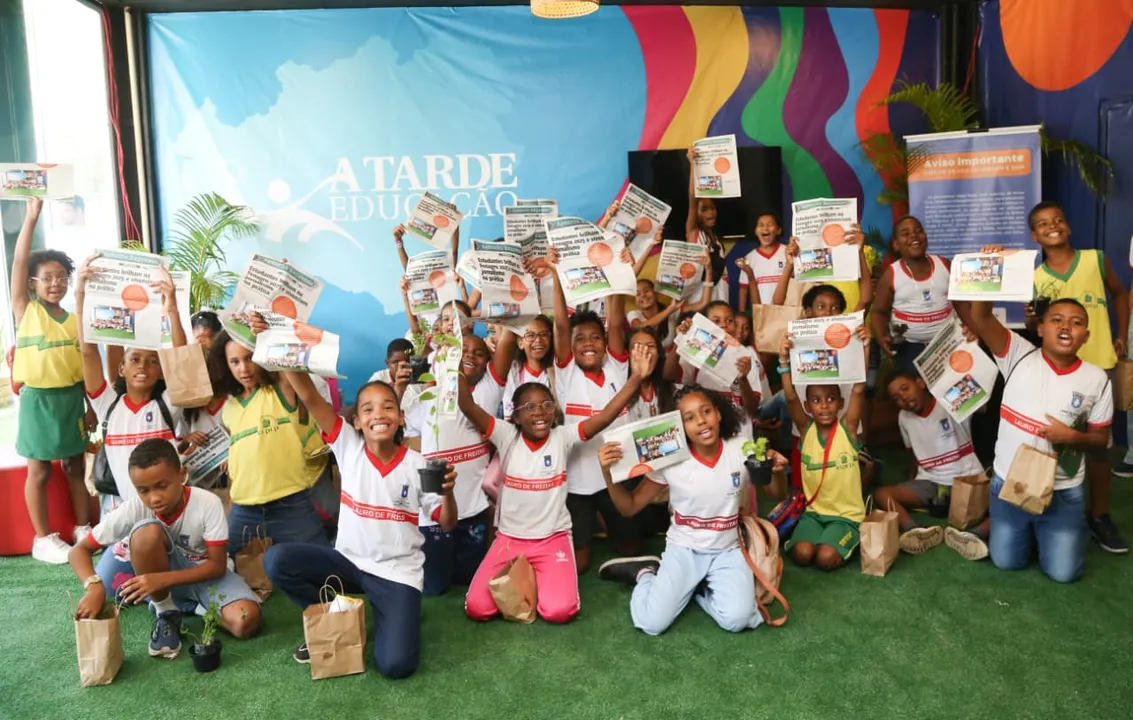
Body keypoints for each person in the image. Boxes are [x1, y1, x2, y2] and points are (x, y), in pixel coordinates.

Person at [263, 373, 457, 677]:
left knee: (396, 665)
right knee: (277, 560)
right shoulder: (348, 448)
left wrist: (447, 493)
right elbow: (310, 396)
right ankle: (333, 614)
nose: (378, 415)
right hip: (348, 563)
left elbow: (447, 522)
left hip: (397, 573)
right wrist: (282, 349)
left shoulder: (419, 464)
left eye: (388, 407)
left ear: (401, 417)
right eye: (368, 409)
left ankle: (400, 610)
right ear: (355, 421)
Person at [459, 344, 654, 623]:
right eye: (529, 407)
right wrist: (452, 364)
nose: (539, 412)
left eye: (546, 405)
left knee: (560, 612)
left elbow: (605, 416)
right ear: (515, 415)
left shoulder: (562, 436)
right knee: (478, 609)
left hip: (553, 540)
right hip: (509, 539)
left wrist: (635, 377)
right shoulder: (505, 435)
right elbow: (467, 404)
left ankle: (539, 576)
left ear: (554, 411)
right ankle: (530, 575)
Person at [596, 385, 788, 635]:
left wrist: (778, 471)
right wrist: (607, 474)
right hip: (684, 549)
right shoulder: (671, 460)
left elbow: (777, 493)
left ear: (718, 414)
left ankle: (698, 588)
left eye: (706, 411)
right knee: (651, 624)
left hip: (727, 550)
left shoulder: (741, 447)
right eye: (689, 417)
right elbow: (629, 507)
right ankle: (645, 574)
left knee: (737, 619)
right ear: (680, 426)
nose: (701, 421)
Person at [956, 290, 1112, 583]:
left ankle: (1055, 530)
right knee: (1006, 563)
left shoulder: (1097, 379)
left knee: (1064, 573)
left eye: (1076, 323)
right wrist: (993, 276)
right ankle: (1008, 525)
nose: (1066, 327)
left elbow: (1100, 439)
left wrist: (1071, 436)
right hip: (1010, 483)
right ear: (1040, 328)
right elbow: (980, 317)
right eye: (1056, 320)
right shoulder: (1018, 353)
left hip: (1063, 489)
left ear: (1086, 336)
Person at [69, 439, 261, 659]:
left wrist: (161, 580)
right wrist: (93, 586)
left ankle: (190, 607)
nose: (154, 497)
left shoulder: (207, 503)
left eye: (162, 486)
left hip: (205, 574)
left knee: (246, 622)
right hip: (162, 583)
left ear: (182, 475)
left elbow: (217, 567)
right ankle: (166, 611)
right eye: (143, 490)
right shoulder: (134, 508)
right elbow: (78, 550)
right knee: (146, 533)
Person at [1025, 202, 1128, 554]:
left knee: (1099, 445)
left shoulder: (1094, 259)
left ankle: (1098, 515)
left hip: (1099, 364)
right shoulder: (1036, 278)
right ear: (1034, 235)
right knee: (1054, 437)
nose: (1052, 226)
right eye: (1043, 224)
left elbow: (1119, 293)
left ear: (1067, 226)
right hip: (1057, 370)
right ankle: (1048, 507)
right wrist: (1028, 320)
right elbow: (1037, 326)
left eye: (1058, 220)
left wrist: (1122, 335)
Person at [544, 244, 638, 573]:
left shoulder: (616, 367)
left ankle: (614, 528)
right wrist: (556, 274)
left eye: (594, 338)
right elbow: (560, 325)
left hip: (617, 473)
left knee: (629, 547)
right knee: (580, 564)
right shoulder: (568, 373)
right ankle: (587, 532)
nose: (588, 343)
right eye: (581, 338)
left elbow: (614, 322)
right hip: (580, 482)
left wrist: (620, 272)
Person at [9, 198, 91, 563]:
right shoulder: (26, 310)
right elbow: (18, 262)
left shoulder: (74, 319)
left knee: (76, 465)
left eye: (61, 277)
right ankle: (42, 539)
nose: (55, 283)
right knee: (39, 471)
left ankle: (84, 528)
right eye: (48, 278)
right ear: (33, 283)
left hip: (71, 398)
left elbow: (82, 367)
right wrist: (31, 218)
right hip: (39, 400)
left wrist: (88, 406)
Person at [404, 328, 516, 596]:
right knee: (435, 587)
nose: (470, 357)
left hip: (473, 509)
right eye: (463, 351)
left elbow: (509, 340)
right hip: (435, 509)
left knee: (469, 578)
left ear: (488, 363)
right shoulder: (430, 391)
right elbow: (409, 438)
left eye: (479, 354)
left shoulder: (491, 387)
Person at [207, 327, 330, 554]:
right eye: (234, 362)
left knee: (326, 573)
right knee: (223, 564)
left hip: (292, 505)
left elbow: (288, 365)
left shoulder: (281, 388)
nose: (243, 368)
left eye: (249, 358)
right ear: (225, 365)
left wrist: (267, 335)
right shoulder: (229, 408)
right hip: (244, 509)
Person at [778, 327, 869, 570]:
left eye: (831, 399)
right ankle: (815, 537)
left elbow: (859, 389)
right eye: (816, 401)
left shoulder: (847, 428)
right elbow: (790, 398)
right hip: (814, 514)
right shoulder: (806, 430)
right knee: (803, 554)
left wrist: (865, 347)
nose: (825, 406)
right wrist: (783, 360)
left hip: (845, 517)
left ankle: (847, 537)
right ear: (808, 406)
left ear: (840, 403)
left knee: (826, 559)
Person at [879, 370, 989, 560]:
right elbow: (913, 452)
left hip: (966, 479)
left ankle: (975, 535)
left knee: (1006, 503)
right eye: (896, 398)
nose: (903, 398)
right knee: (883, 495)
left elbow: (981, 402)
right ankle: (914, 532)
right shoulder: (903, 418)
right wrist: (912, 481)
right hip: (930, 482)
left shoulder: (948, 401)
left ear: (920, 383)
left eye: (905, 388)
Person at [870, 216, 955, 374]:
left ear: (925, 236)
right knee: (915, 392)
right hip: (908, 348)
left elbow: (963, 305)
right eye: (905, 233)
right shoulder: (891, 275)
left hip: (949, 342)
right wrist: (882, 337)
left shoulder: (945, 265)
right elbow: (879, 312)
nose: (913, 236)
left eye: (918, 231)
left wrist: (972, 330)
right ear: (896, 244)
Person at [685, 148, 729, 305]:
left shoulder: (717, 241)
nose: (711, 212)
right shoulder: (694, 233)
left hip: (720, 303)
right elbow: (692, 198)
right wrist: (693, 164)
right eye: (704, 209)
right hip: (700, 303)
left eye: (712, 207)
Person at [502, 315, 555, 420]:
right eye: (530, 335)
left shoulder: (556, 371)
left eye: (544, 334)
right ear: (520, 342)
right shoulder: (513, 370)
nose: (538, 340)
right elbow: (509, 410)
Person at [737, 212, 787, 312]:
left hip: (786, 311)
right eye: (761, 225)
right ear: (755, 231)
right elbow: (743, 289)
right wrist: (741, 314)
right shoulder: (749, 258)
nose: (765, 228)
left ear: (778, 230)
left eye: (770, 224)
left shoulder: (787, 253)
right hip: (761, 314)